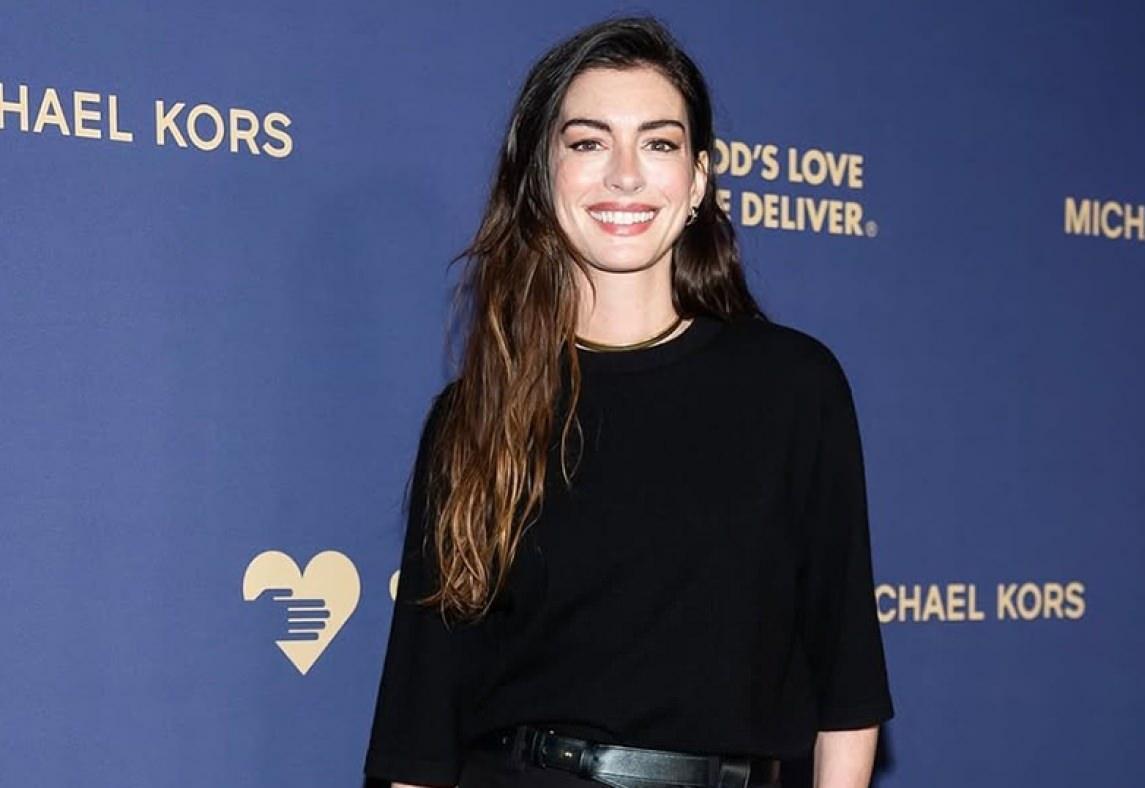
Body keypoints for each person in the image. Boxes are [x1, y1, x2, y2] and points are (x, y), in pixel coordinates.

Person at [363, 15, 894, 788]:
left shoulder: (793, 387)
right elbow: (418, 725)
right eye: (588, 143)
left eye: (658, 143)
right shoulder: (476, 414)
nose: (624, 175)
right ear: (542, 176)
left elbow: (846, 682)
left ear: (698, 180)